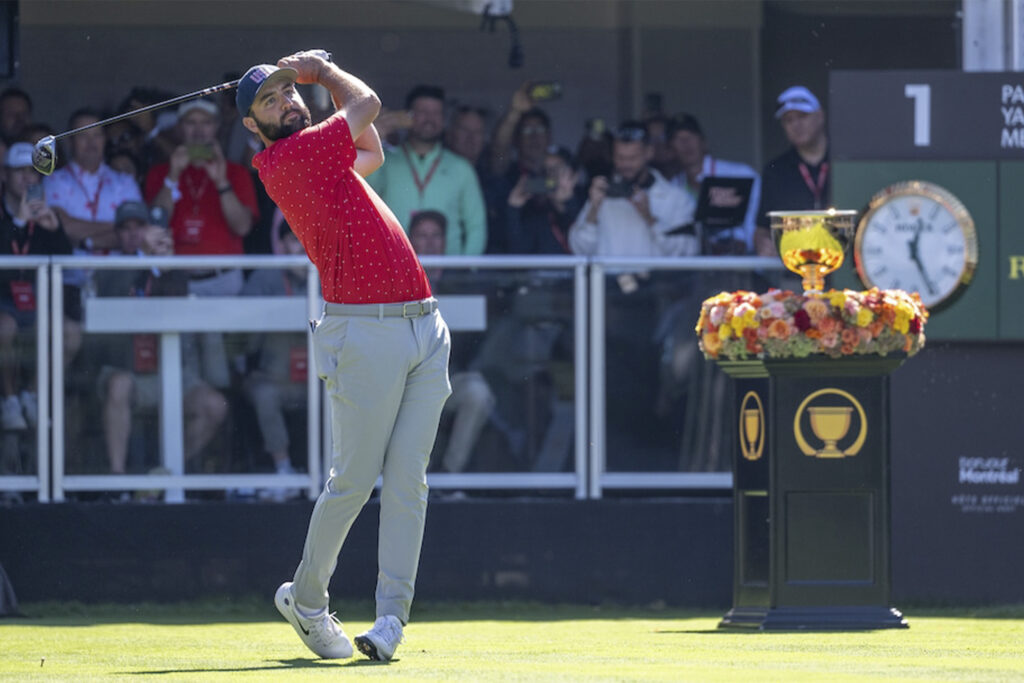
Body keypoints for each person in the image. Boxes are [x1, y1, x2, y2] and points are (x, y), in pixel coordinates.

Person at [238, 50, 451, 662]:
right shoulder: (287, 157)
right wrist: (322, 71)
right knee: (353, 483)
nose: (286, 101)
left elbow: (373, 150)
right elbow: (369, 106)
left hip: (424, 326)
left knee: (409, 483)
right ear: (252, 125)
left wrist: (318, 83)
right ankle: (306, 600)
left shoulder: (323, 156)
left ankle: (390, 621)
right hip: (364, 332)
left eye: (288, 91)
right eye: (270, 101)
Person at [93, 201, 228, 476]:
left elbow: (175, 301)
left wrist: (162, 264)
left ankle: (164, 471)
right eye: (127, 229)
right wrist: (143, 261)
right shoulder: (109, 268)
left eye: (141, 228)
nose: (135, 235)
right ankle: (118, 479)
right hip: (129, 370)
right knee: (117, 387)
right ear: (117, 235)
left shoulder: (174, 268)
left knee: (214, 406)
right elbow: (113, 295)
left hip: (174, 374)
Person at [144, 97, 260, 392]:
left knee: (221, 373)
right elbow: (155, 224)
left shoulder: (235, 172)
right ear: (180, 129)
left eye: (205, 123)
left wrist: (221, 181)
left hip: (223, 282)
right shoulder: (161, 172)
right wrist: (173, 175)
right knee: (183, 372)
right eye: (191, 124)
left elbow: (242, 226)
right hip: (176, 284)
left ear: (216, 129)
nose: (198, 131)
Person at [407, 210, 494, 475]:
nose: (430, 242)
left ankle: (450, 476)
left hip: (450, 376)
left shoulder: (464, 280)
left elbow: (475, 341)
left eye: (436, 236)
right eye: (422, 236)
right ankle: (411, 480)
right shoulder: (396, 277)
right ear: (410, 241)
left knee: (479, 394)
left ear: (445, 242)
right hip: (403, 381)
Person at [0, 143, 73, 431]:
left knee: (70, 333)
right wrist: (18, 220)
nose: (27, 178)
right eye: (19, 171)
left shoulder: (45, 213)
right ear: (5, 175)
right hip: (3, 303)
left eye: (33, 172)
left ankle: (32, 393)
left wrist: (55, 230)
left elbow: (66, 262)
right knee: (4, 328)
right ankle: (10, 400)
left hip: (37, 301)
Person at [367, 85, 487, 255]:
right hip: (395, 267)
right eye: (422, 112)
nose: (429, 119)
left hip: (449, 273)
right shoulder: (383, 161)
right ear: (407, 117)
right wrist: (374, 137)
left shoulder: (461, 168)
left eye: (436, 113)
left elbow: (476, 226)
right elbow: (363, 198)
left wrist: (466, 270)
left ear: (444, 120)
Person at [239, 221, 308, 501]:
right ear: (282, 247)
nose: (301, 248)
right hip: (273, 376)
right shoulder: (264, 277)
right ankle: (283, 470)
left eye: (307, 240)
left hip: (321, 378)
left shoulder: (330, 272)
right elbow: (240, 336)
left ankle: (339, 469)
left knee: (349, 392)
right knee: (264, 394)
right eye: (294, 241)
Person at [569, 121, 697, 258]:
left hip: (658, 279)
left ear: (649, 153)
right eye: (620, 157)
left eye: (633, 158)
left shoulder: (676, 198)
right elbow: (579, 249)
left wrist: (650, 219)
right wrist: (593, 210)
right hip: (610, 279)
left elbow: (688, 251)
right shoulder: (602, 195)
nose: (625, 164)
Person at [44, 107, 143, 251]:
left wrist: (88, 241)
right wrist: (118, 228)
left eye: (97, 135)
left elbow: (136, 235)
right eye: (83, 135)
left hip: (116, 271)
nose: (91, 143)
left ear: (105, 140)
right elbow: (63, 227)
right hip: (69, 272)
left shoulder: (124, 182)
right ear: (70, 142)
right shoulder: (54, 181)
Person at [667, 113, 761, 255]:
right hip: (695, 268)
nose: (686, 143)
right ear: (671, 149)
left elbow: (758, 219)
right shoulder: (670, 188)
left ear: (704, 142)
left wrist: (743, 242)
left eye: (691, 136)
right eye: (678, 138)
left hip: (743, 263)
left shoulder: (740, 174)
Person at [755, 86, 830, 257]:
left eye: (803, 116)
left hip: (844, 273)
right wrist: (763, 245)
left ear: (820, 116)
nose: (796, 125)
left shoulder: (844, 162)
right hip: (793, 275)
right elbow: (762, 229)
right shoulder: (775, 170)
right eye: (788, 120)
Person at [503, 146, 582, 254]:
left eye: (558, 169)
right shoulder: (537, 213)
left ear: (574, 176)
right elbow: (518, 253)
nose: (552, 176)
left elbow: (584, 239)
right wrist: (513, 208)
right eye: (546, 170)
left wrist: (566, 203)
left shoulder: (588, 204)